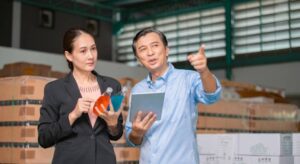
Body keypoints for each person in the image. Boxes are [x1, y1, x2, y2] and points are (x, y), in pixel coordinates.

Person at [125, 27, 222, 164]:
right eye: (143, 49)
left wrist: (204, 71)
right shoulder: (138, 90)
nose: (150, 52)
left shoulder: (188, 79)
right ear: (138, 59)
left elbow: (212, 96)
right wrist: (137, 132)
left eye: (155, 45)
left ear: (167, 50)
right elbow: (132, 139)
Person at [38, 27, 123, 164]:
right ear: (69, 55)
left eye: (93, 49)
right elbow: (44, 138)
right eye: (83, 51)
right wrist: (73, 115)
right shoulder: (54, 89)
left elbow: (116, 134)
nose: (91, 56)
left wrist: (112, 124)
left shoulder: (112, 86)